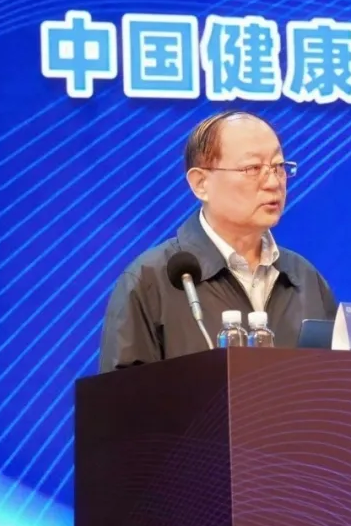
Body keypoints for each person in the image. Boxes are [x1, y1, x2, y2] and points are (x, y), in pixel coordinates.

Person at [98, 111, 338, 373]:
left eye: (278, 167)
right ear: (201, 183)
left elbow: (334, 382)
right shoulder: (151, 280)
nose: (273, 182)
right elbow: (122, 395)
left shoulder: (305, 278)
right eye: (252, 169)